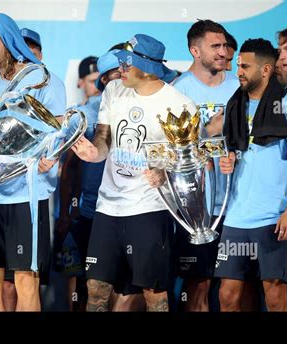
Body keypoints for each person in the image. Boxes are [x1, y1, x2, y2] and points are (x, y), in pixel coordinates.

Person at [72, 34, 197, 311]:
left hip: (149, 208)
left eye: (128, 65)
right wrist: (94, 153)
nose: (121, 71)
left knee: (154, 293)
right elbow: (104, 138)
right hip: (108, 207)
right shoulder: (114, 90)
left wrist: (164, 172)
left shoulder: (178, 104)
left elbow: (188, 161)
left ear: (149, 68)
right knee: (95, 289)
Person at [0, 13, 66, 312]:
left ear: (9, 41)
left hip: (25, 197)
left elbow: (58, 134)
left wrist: (50, 154)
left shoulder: (44, 80)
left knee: (25, 282)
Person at [216, 38, 287, 312]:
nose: (239, 72)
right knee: (227, 296)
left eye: (245, 66)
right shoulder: (235, 106)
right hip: (235, 216)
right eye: (238, 66)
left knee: (274, 295)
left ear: (267, 69)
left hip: (273, 217)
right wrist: (228, 159)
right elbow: (231, 150)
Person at [172, 19, 239, 312]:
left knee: (235, 288)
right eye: (216, 46)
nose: (224, 52)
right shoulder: (176, 92)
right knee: (197, 284)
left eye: (225, 45)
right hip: (196, 207)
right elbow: (169, 150)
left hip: (239, 205)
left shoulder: (242, 89)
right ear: (195, 51)